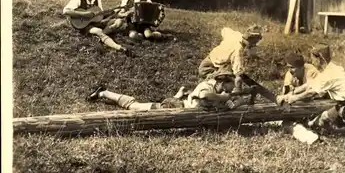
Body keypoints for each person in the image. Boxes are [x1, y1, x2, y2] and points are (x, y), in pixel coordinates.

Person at [276, 44, 345, 156]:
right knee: (322, 120)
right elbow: (310, 85)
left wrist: (294, 98)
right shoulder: (329, 68)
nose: (312, 62)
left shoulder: (328, 75)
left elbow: (311, 92)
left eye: (313, 59)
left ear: (320, 58)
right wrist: (290, 94)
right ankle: (328, 134)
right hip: (343, 105)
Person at [87, 68, 257, 111]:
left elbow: (225, 106)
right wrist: (224, 98)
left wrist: (240, 102)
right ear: (222, 82)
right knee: (135, 106)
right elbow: (205, 96)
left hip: (180, 107)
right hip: (173, 108)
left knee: (136, 106)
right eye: (228, 86)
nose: (229, 89)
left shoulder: (219, 92)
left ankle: (180, 94)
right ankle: (104, 92)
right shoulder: (207, 86)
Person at [63, 0, 132, 56]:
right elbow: (65, 11)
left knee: (118, 22)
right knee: (98, 31)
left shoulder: (97, 0)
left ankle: (101, 36)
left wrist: (113, 12)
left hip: (96, 23)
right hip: (84, 25)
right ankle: (118, 47)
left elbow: (100, 15)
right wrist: (84, 14)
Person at [198, 25, 263, 95]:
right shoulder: (237, 51)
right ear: (250, 40)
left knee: (226, 74)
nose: (254, 44)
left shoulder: (235, 34)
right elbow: (238, 74)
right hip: (209, 67)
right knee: (226, 83)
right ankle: (215, 95)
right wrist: (238, 88)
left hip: (209, 60)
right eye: (254, 43)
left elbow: (224, 29)